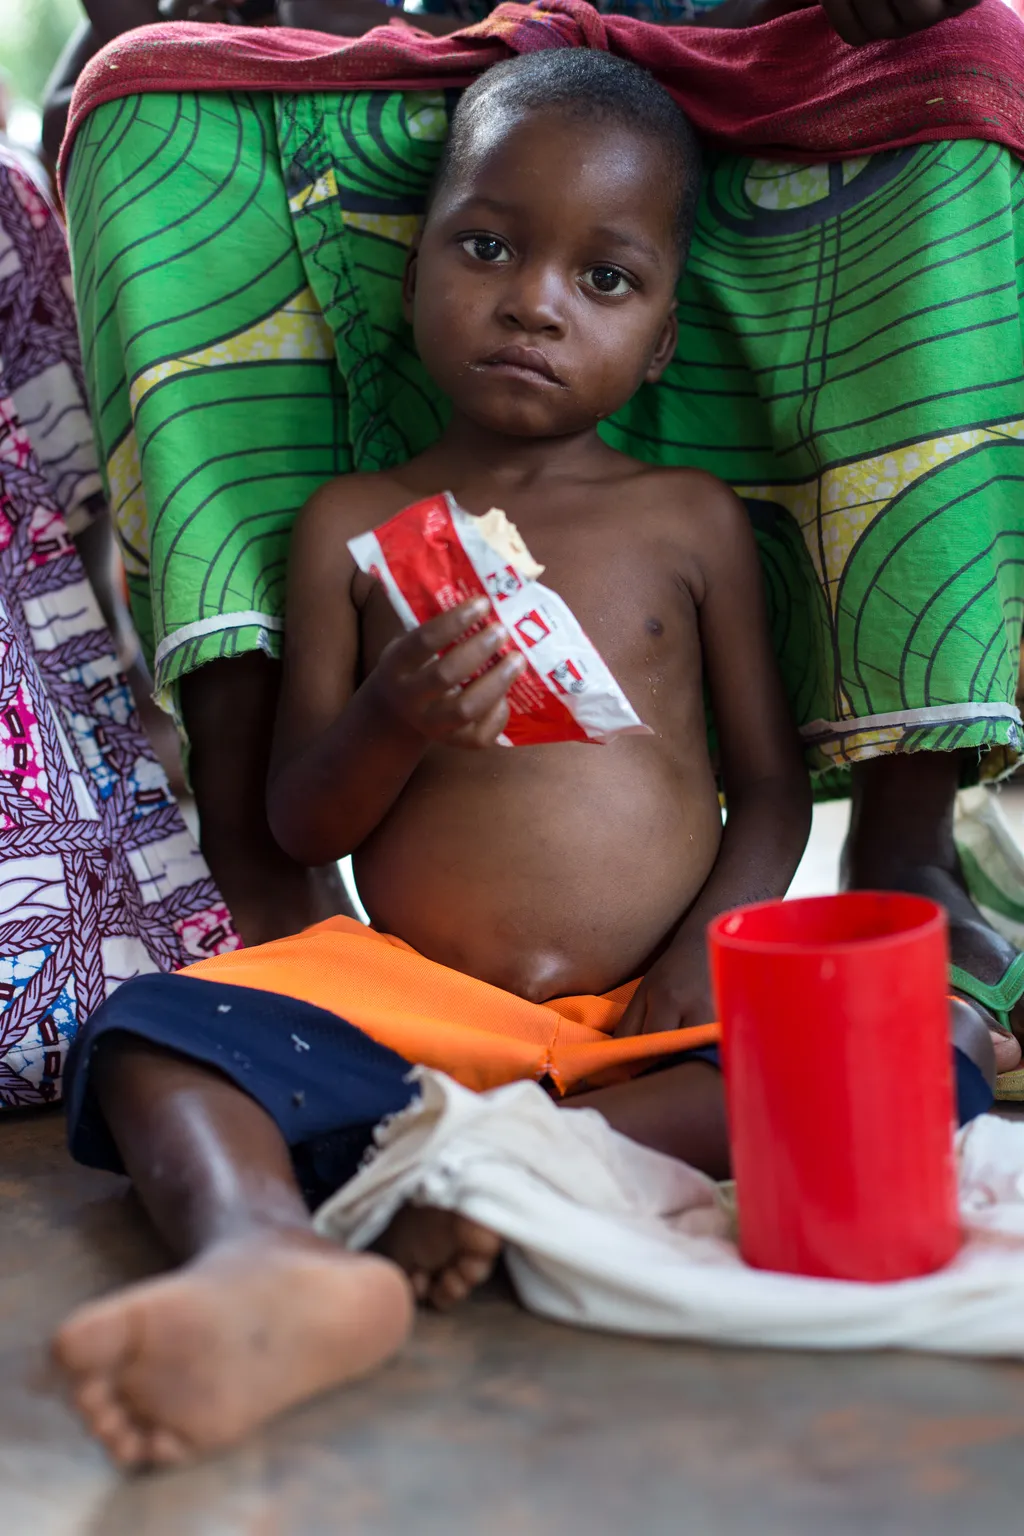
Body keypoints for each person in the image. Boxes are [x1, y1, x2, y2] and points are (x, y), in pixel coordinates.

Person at [52, 53, 1011, 1468]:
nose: (534, 302)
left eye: (603, 281)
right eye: (488, 246)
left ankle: (517, 1172)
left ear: (666, 337)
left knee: (937, 1043)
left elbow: (761, 784)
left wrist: (709, 952)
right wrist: (391, 716)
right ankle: (262, 1258)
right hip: (425, 1008)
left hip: (649, 1028)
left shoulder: (689, 522)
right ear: (421, 263)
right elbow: (299, 818)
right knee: (151, 1038)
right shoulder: (350, 526)